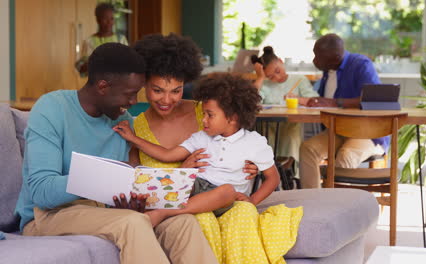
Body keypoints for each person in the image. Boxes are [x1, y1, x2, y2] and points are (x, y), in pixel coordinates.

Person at [14, 43, 218, 264]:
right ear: (103, 86)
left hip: (102, 212)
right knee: (132, 222)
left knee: (183, 223)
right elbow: (42, 192)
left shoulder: (124, 123)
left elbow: (120, 189)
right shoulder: (52, 108)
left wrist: (130, 200)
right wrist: (99, 176)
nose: (133, 103)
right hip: (47, 216)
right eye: (129, 95)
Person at [131, 34, 301, 264]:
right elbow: (136, 181)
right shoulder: (137, 127)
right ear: (144, 84)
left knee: (241, 213)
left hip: (224, 199)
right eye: (157, 90)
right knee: (202, 221)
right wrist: (182, 172)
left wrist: (250, 167)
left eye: (177, 90)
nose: (167, 100)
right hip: (178, 206)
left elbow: (236, 140)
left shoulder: (207, 111)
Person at [114, 73, 280, 227]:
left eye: (209, 115)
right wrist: (133, 138)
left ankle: (164, 212)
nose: (203, 120)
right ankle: (142, 212)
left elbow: (272, 178)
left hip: (225, 197)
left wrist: (252, 200)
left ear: (233, 118)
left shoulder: (254, 142)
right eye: (203, 114)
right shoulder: (202, 137)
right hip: (198, 186)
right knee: (177, 180)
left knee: (227, 190)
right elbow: (167, 155)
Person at [299, 33, 386, 189]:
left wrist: (334, 102)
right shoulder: (329, 69)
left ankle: (336, 208)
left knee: (346, 155)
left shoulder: (361, 65)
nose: (314, 60)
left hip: (368, 132)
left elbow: (373, 98)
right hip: (339, 130)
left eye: (319, 56)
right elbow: (327, 103)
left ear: (335, 57)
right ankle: (313, 201)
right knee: (308, 149)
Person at [251, 46, 318, 164]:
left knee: (292, 133)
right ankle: (268, 166)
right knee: (264, 134)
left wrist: (298, 99)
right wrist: (260, 78)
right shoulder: (264, 84)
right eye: (270, 77)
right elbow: (251, 101)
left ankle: (289, 166)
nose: (277, 77)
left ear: (281, 62)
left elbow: (315, 101)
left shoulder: (299, 80)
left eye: (277, 71)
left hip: (291, 123)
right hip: (269, 125)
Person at [75, 3, 128, 76]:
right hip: (96, 85)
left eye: (111, 18)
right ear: (98, 20)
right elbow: (81, 68)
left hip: (118, 85)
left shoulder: (121, 40)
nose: (109, 22)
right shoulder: (89, 41)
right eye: (105, 18)